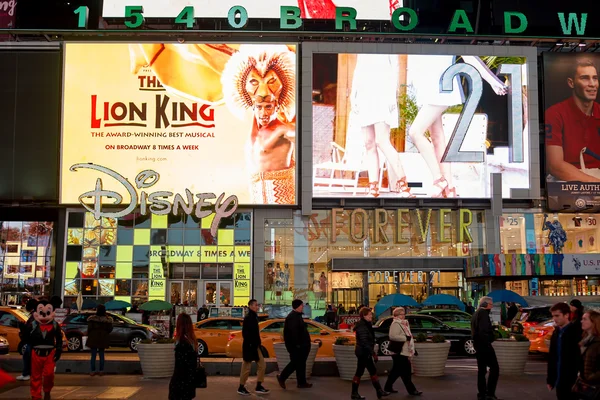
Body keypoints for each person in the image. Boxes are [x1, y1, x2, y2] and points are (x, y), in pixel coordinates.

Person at [407, 55, 508, 197]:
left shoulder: (445, 37)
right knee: (437, 137)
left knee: (415, 132)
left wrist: (492, 82)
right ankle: (449, 188)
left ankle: (439, 179)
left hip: (440, 90)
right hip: (428, 90)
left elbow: (470, 57)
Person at [221, 45, 296, 205]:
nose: (264, 113)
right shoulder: (251, 134)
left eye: (268, 106)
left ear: (276, 105)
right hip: (257, 205)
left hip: (283, 206)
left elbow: (304, 137)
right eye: (259, 107)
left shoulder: (284, 130)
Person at [350, 53, 413, 198]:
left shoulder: (387, 39)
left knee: (382, 141)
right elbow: (358, 67)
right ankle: (373, 188)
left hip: (382, 94)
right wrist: (354, 94)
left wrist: (392, 95)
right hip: (364, 94)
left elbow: (395, 67)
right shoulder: (362, 41)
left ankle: (404, 185)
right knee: (369, 143)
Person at [545, 57, 600, 182]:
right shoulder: (555, 113)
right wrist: (596, 185)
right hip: (566, 180)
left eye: (595, 78)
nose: (592, 84)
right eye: (585, 78)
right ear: (571, 83)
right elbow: (555, 166)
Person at [24, 298, 63, 400]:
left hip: (49, 353)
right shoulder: (33, 325)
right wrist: (24, 332)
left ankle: (47, 391)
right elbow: (26, 338)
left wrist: (58, 350)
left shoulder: (54, 325)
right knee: (35, 376)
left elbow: (59, 338)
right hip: (36, 352)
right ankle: (36, 396)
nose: (44, 315)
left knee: (49, 375)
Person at [351, 307, 388, 399]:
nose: (371, 315)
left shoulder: (365, 324)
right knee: (361, 371)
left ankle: (379, 391)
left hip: (364, 352)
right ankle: (355, 393)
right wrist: (373, 353)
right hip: (364, 352)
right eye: (370, 314)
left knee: (370, 370)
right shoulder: (362, 326)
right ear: (364, 315)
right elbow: (364, 342)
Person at [547, 302, 582, 399]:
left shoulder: (575, 331)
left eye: (557, 315)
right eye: (553, 316)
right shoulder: (556, 332)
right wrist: (550, 379)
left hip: (572, 379)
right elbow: (552, 357)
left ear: (566, 315)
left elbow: (578, 356)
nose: (554, 319)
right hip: (559, 379)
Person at [384, 307, 421, 396]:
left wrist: (412, 348)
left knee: (396, 371)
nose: (404, 315)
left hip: (404, 350)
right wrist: (405, 338)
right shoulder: (395, 324)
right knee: (406, 371)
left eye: (404, 313)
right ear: (397, 315)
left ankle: (387, 387)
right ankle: (412, 390)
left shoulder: (404, 323)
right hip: (399, 351)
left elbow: (410, 337)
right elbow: (392, 336)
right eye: (402, 314)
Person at [277, 299, 312, 389]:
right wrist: (298, 345)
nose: (302, 307)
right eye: (301, 305)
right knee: (295, 364)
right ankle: (282, 377)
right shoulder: (293, 317)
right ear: (297, 306)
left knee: (300, 364)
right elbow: (293, 333)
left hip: (300, 346)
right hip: (297, 347)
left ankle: (301, 383)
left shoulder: (297, 316)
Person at [237, 299, 269, 396]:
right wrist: (251, 344)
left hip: (255, 345)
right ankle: (241, 387)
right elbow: (245, 333)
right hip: (250, 346)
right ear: (250, 306)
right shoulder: (249, 318)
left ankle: (259, 385)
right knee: (246, 367)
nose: (257, 306)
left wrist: (257, 343)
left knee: (262, 365)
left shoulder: (254, 317)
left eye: (257, 305)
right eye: (255, 305)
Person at [471, 296, 500, 400]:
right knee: (495, 368)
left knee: (482, 370)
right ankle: (490, 393)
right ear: (486, 304)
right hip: (484, 345)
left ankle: (482, 393)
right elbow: (484, 331)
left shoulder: (476, 313)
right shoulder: (483, 314)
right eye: (491, 305)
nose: (491, 307)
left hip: (478, 345)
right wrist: (491, 338)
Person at [168, 313, 198, 400]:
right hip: (189, 382)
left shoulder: (182, 343)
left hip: (180, 384)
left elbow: (180, 366)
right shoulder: (192, 341)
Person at [87, 305, 113, 376]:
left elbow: (89, 328)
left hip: (93, 337)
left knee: (93, 355)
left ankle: (93, 371)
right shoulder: (108, 319)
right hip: (103, 338)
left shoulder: (92, 319)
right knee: (101, 354)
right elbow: (110, 329)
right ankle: (101, 370)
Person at [17, 298, 38, 381]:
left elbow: (30, 327)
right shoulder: (35, 314)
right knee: (28, 356)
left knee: (28, 356)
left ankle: (27, 373)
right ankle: (27, 373)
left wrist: (23, 327)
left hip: (32, 340)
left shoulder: (34, 315)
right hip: (33, 339)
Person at [579, 311, 600, 386]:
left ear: (594, 322)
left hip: (595, 385)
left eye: (585, 319)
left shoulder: (597, 342)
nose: (581, 321)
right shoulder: (585, 339)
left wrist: (591, 377)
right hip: (584, 383)